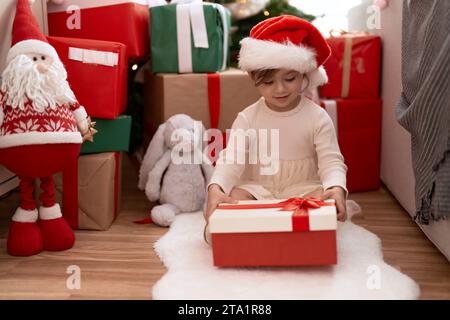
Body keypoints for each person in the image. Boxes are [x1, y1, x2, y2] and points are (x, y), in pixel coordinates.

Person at [204, 15, 348, 224]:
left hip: (304, 187)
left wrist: (336, 188)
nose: (280, 89)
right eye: (268, 82)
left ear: (304, 74)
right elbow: (231, 160)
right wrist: (216, 187)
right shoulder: (248, 118)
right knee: (232, 200)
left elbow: (331, 161)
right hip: (258, 187)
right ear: (254, 79)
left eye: (289, 79)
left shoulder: (317, 116)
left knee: (324, 203)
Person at [0, 0, 95, 256]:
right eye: (33, 58)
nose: (40, 64)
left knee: (45, 181)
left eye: (43, 58)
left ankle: (49, 218)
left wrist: (84, 125)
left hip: (56, 144)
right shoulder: (8, 90)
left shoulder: (58, 87)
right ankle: (28, 218)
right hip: (20, 148)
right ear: (17, 62)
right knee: (29, 182)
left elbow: (74, 104)